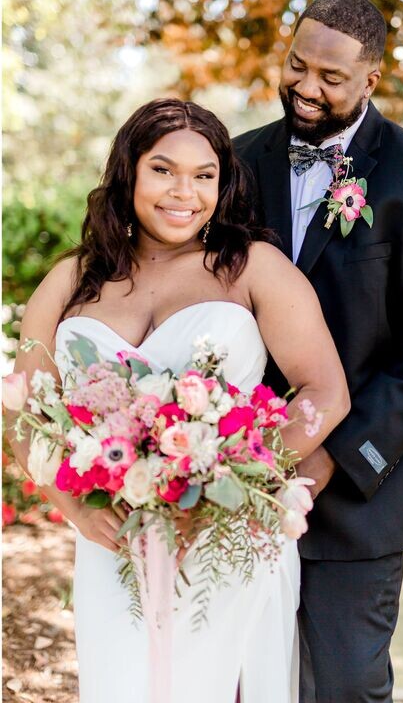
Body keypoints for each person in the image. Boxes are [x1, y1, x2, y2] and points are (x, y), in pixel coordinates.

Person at [7, 98, 350, 703]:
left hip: (224, 536)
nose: (184, 193)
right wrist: (76, 509)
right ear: (128, 173)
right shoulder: (73, 278)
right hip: (111, 540)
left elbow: (325, 393)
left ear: (223, 183)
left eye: (204, 175)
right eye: (163, 170)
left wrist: (233, 485)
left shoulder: (253, 268)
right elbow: (23, 412)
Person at [233, 0, 403, 703]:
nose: (306, 87)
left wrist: (334, 455)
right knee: (242, 682)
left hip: (361, 494)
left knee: (346, 686)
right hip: (235, 483)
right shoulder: (235, 162)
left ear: (371, 80)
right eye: (297, 65)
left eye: (331, 77)